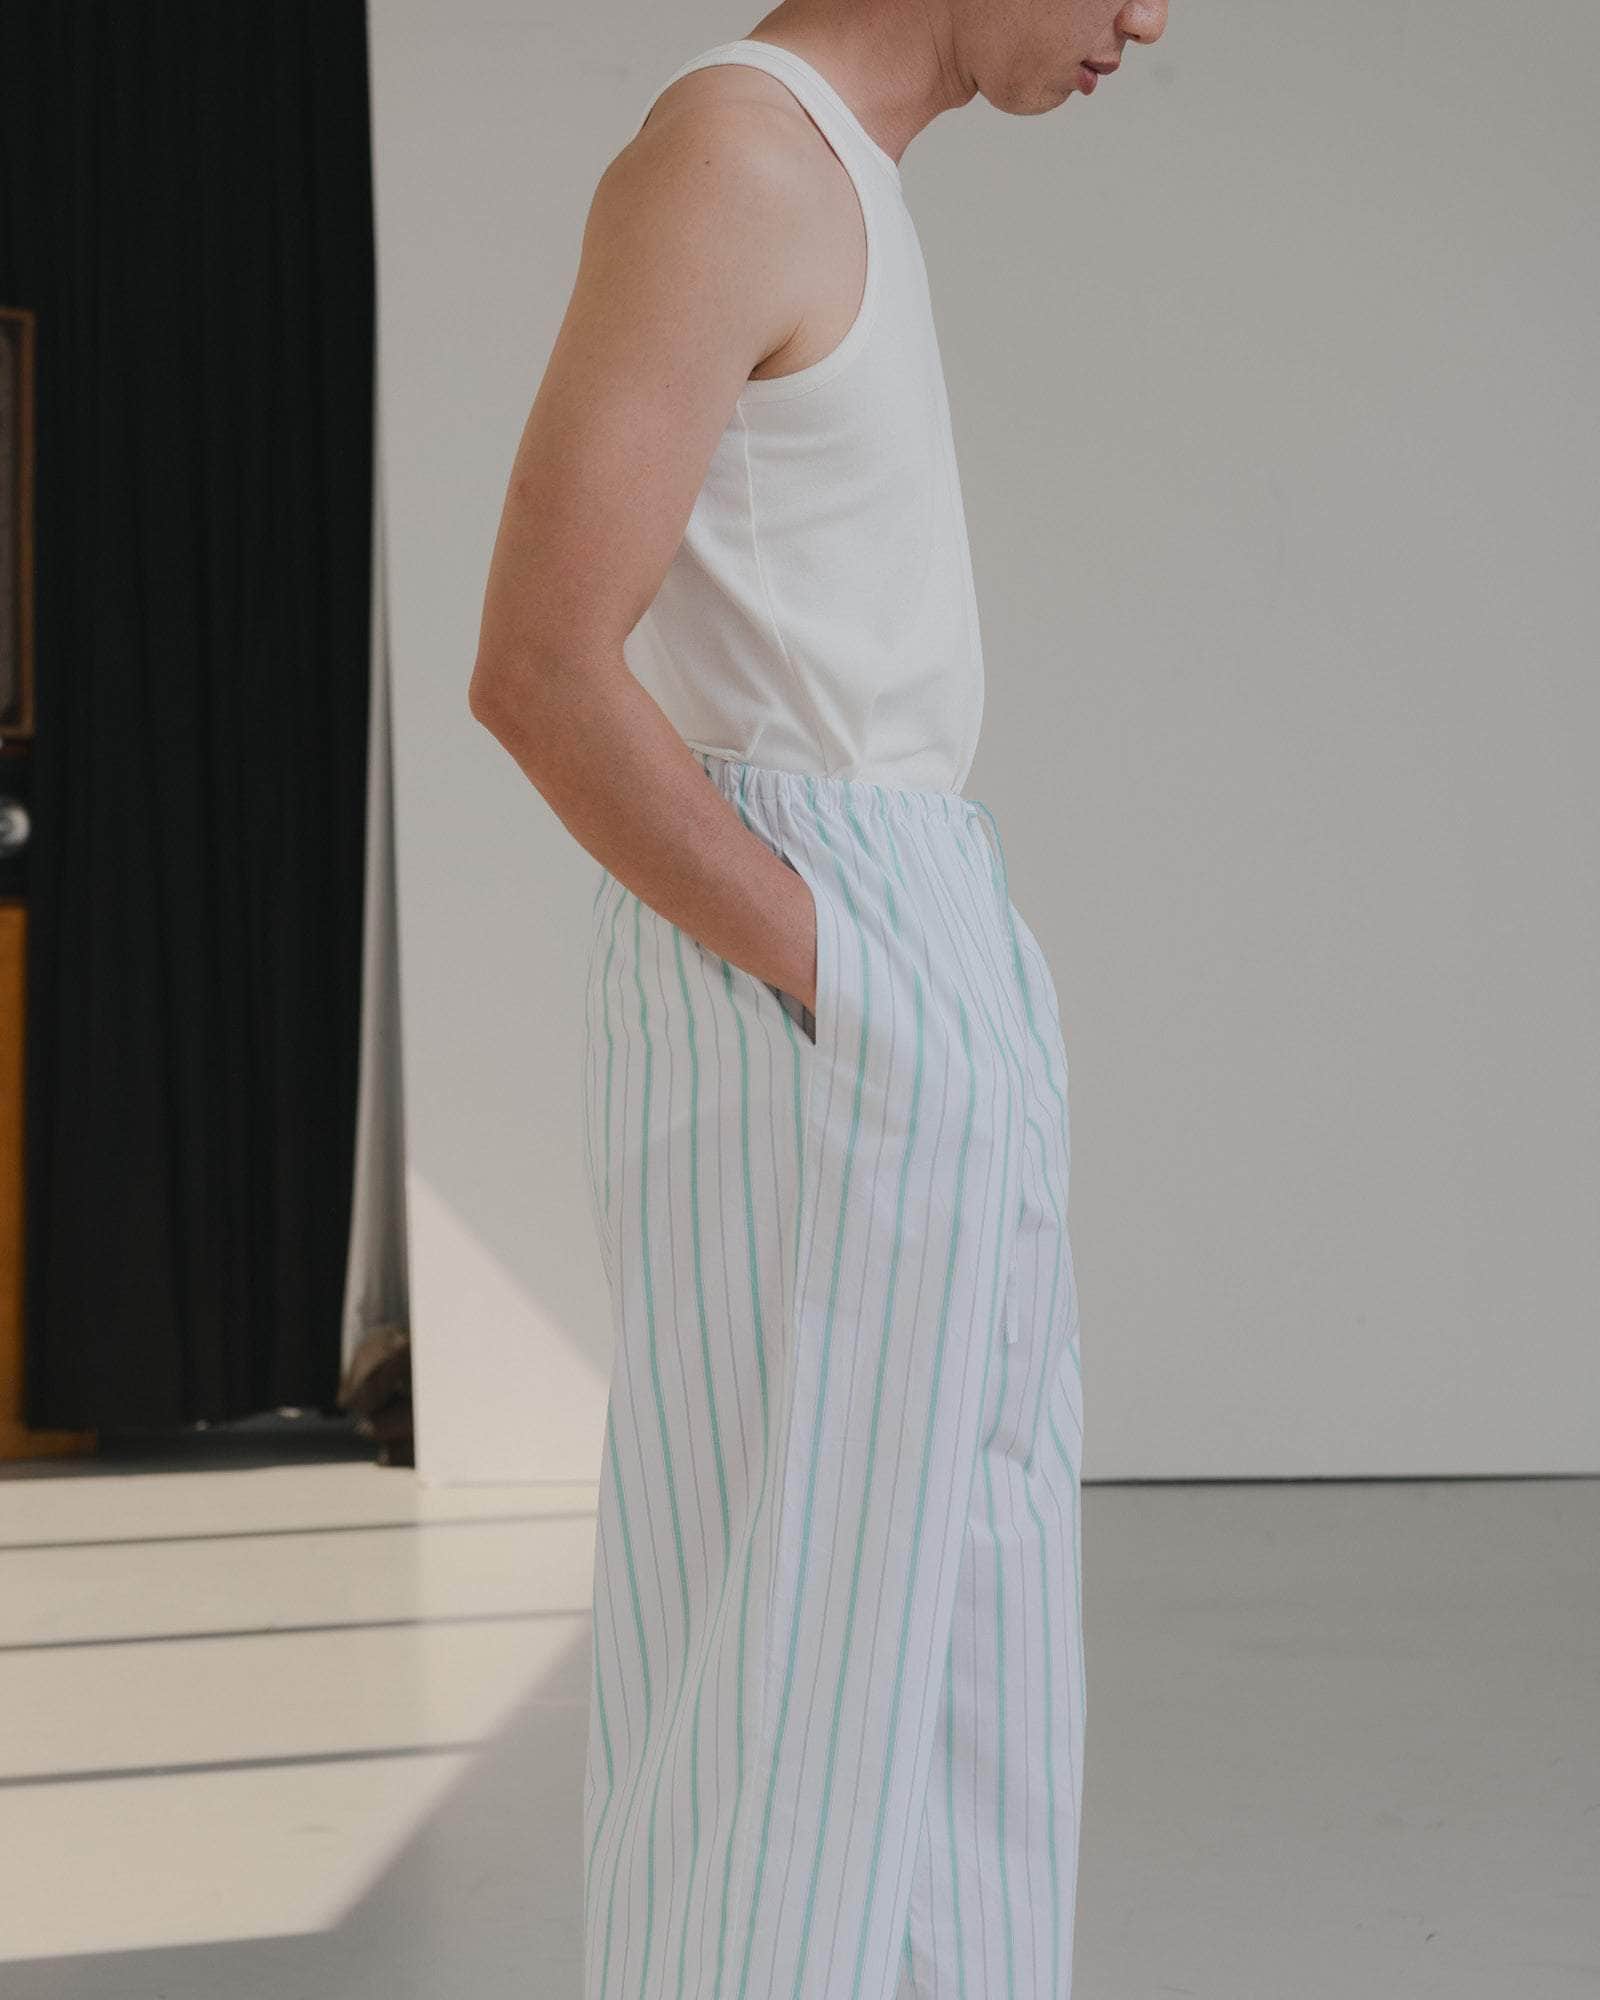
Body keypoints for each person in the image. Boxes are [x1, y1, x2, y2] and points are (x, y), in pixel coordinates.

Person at [468, 4, 1168, 1994]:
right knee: (787, 1696)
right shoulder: (734, 156)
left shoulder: (835, 177)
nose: (1148, 19)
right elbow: (538, 665)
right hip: (827, 961)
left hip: (917, 920)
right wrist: (838, 969)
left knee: (964, 1674)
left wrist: (914, 975)